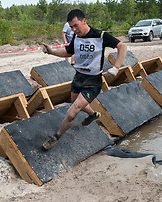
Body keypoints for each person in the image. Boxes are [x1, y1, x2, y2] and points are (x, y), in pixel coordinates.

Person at [41, 9, 127, 150]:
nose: (74, 30)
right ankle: (93, 115)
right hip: (78, 78)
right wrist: (51, 51)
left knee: (73, 111)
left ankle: (55, 137)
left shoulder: (100, 35)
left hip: (93, 82)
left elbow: (122, 46)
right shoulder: (76, 37)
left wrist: (116, 67)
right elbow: (68, 52)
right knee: (76, 103)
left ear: (84, 21)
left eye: (76, 25)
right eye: (71, 27)